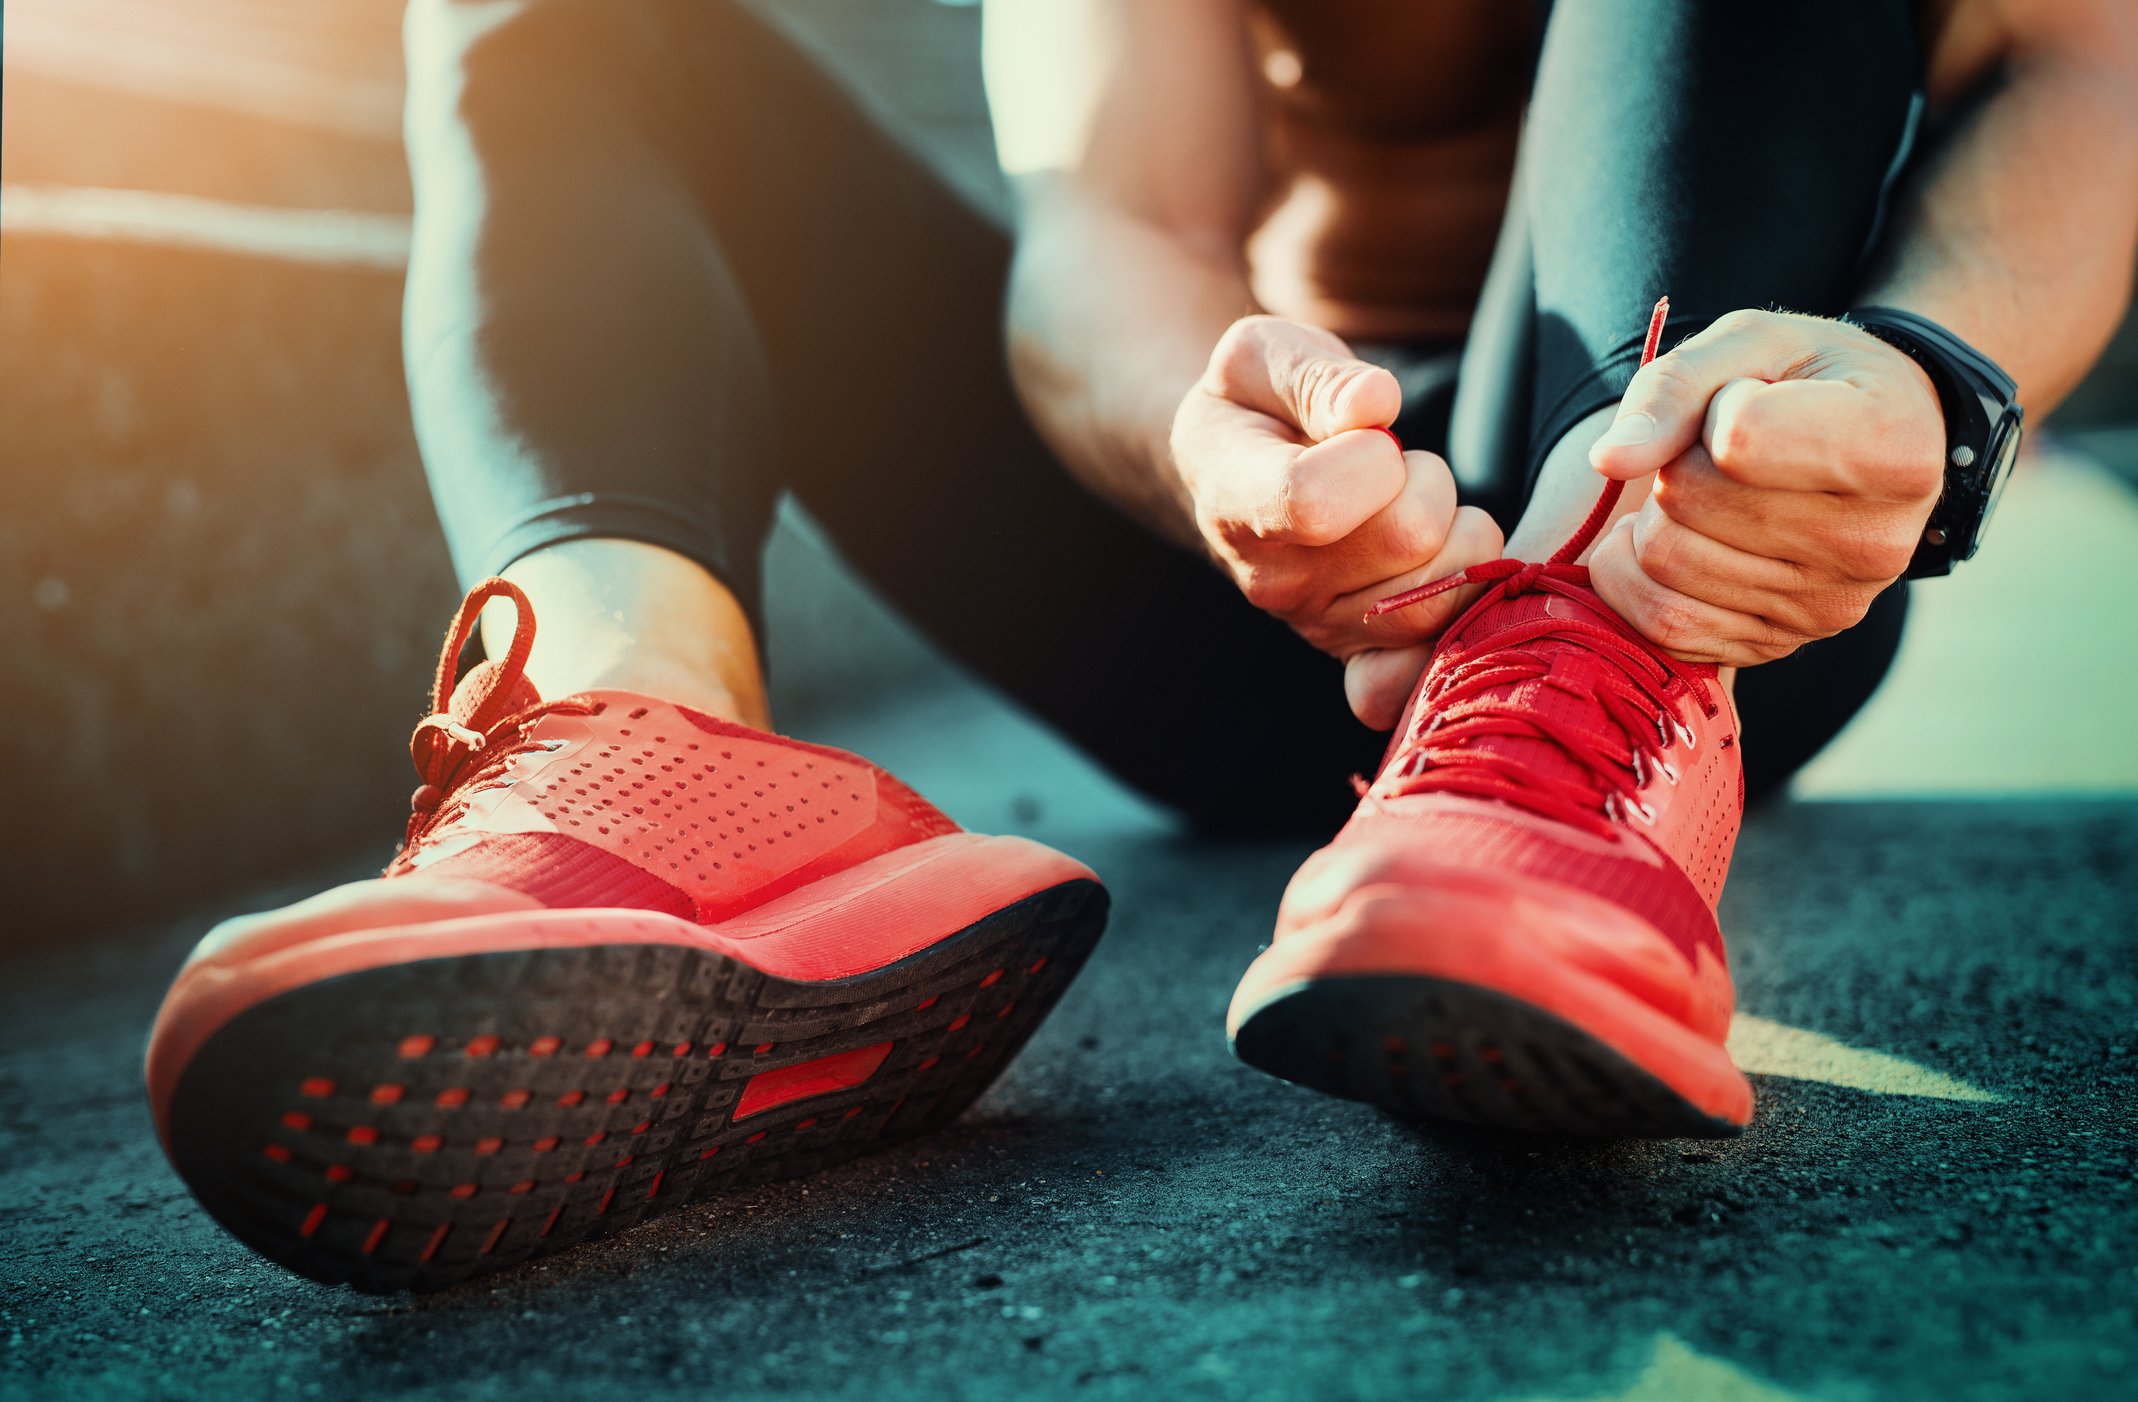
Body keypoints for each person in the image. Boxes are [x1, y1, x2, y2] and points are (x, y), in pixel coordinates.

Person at [145, 0, 2138, 1290]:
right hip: (1272, 562)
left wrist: (1928, 378)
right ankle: (644, 743)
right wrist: (1208, 439)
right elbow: (1105, 221)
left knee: (1657, 487)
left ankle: (1571, 718)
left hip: (1718, 549)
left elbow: (2079, 57)